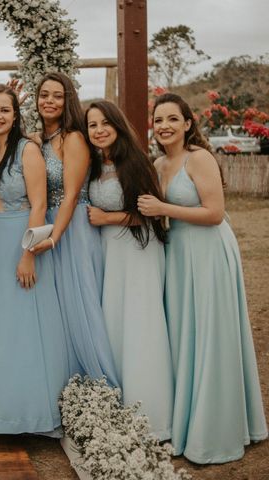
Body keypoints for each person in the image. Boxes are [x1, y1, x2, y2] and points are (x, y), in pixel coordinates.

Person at [138, 93, 267, 463]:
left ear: (188, 123)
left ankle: (215, 429)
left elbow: (214, 213)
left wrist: (163, 208)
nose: (163, 125)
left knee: (211, 334)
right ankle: (185, 419)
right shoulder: (160, 163)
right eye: (158, 119)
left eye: (171, 119)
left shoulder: (200, 158)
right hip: (178, 255)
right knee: (185, 335)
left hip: (208, 251)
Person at [0, 84, 68, 435]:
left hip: (21, 238)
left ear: (15, 116)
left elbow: (40, 206)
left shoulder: (28, 150)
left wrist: (27, 254)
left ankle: (30, 412)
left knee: (24, 325)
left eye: (5, 110)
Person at [85, 100, 173, 440]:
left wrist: (107, 218)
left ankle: (151, 415)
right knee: (114, 325)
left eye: (105, 123)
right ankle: (117, 406)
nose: (99, 130)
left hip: (138, 249)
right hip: (110, 251)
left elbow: (151, 213)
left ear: (118, 125)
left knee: (140, 326)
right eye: (92, 125)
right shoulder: (95, 163)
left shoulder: (135, 161)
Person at [28, 72, 119, 386]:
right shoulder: (39, 140)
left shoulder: (74, 138)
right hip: (47, 225)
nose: (49, 101)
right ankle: (67, 387)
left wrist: (55, 237)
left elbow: (70, 195)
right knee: (58, 310)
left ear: (67, 100)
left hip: (73, 228)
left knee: (80, 305)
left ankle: (100, 389)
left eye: (57, 95)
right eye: (43, 94)